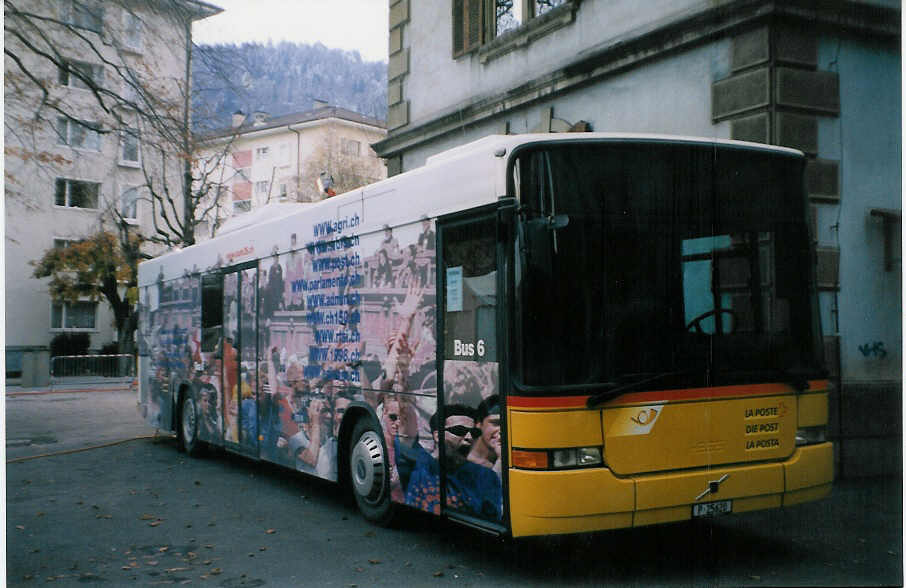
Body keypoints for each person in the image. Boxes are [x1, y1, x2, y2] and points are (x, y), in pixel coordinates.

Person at [405, 405, 502, 521]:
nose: (469, 437)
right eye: (459, 430)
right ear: (437, 436)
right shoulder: (419, 469)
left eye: (474, 433)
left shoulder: (487, 477)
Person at [468, 395, 502, 478]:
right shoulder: (464, 460)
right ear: (479, 423)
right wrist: (501, 461)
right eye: (496, 423)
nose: (501, 430)